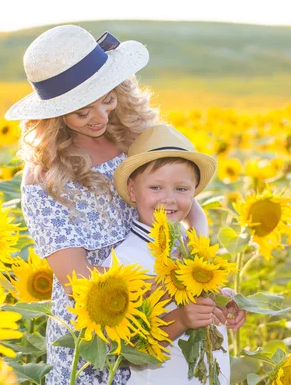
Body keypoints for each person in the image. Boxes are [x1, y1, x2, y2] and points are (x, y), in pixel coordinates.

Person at [6, 25, 212, 384]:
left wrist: (198, 267)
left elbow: (185, 198)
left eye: (107, 100)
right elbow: (75, 279)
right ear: (54, 114)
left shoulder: (136, 135)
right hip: (100, 319)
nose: (100, 116)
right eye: (83, 112)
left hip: (171, 295)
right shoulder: (44, 176)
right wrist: (162, 292)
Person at [104, 124, 247, 385]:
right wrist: (180, 320)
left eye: (181, 189)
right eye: (156, 188)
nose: (169, 199)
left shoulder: (189, 249)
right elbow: (128, 353)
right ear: (133, 191)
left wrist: (222, 301)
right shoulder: (124, 261)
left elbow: (199, 297)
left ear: (194, 192)